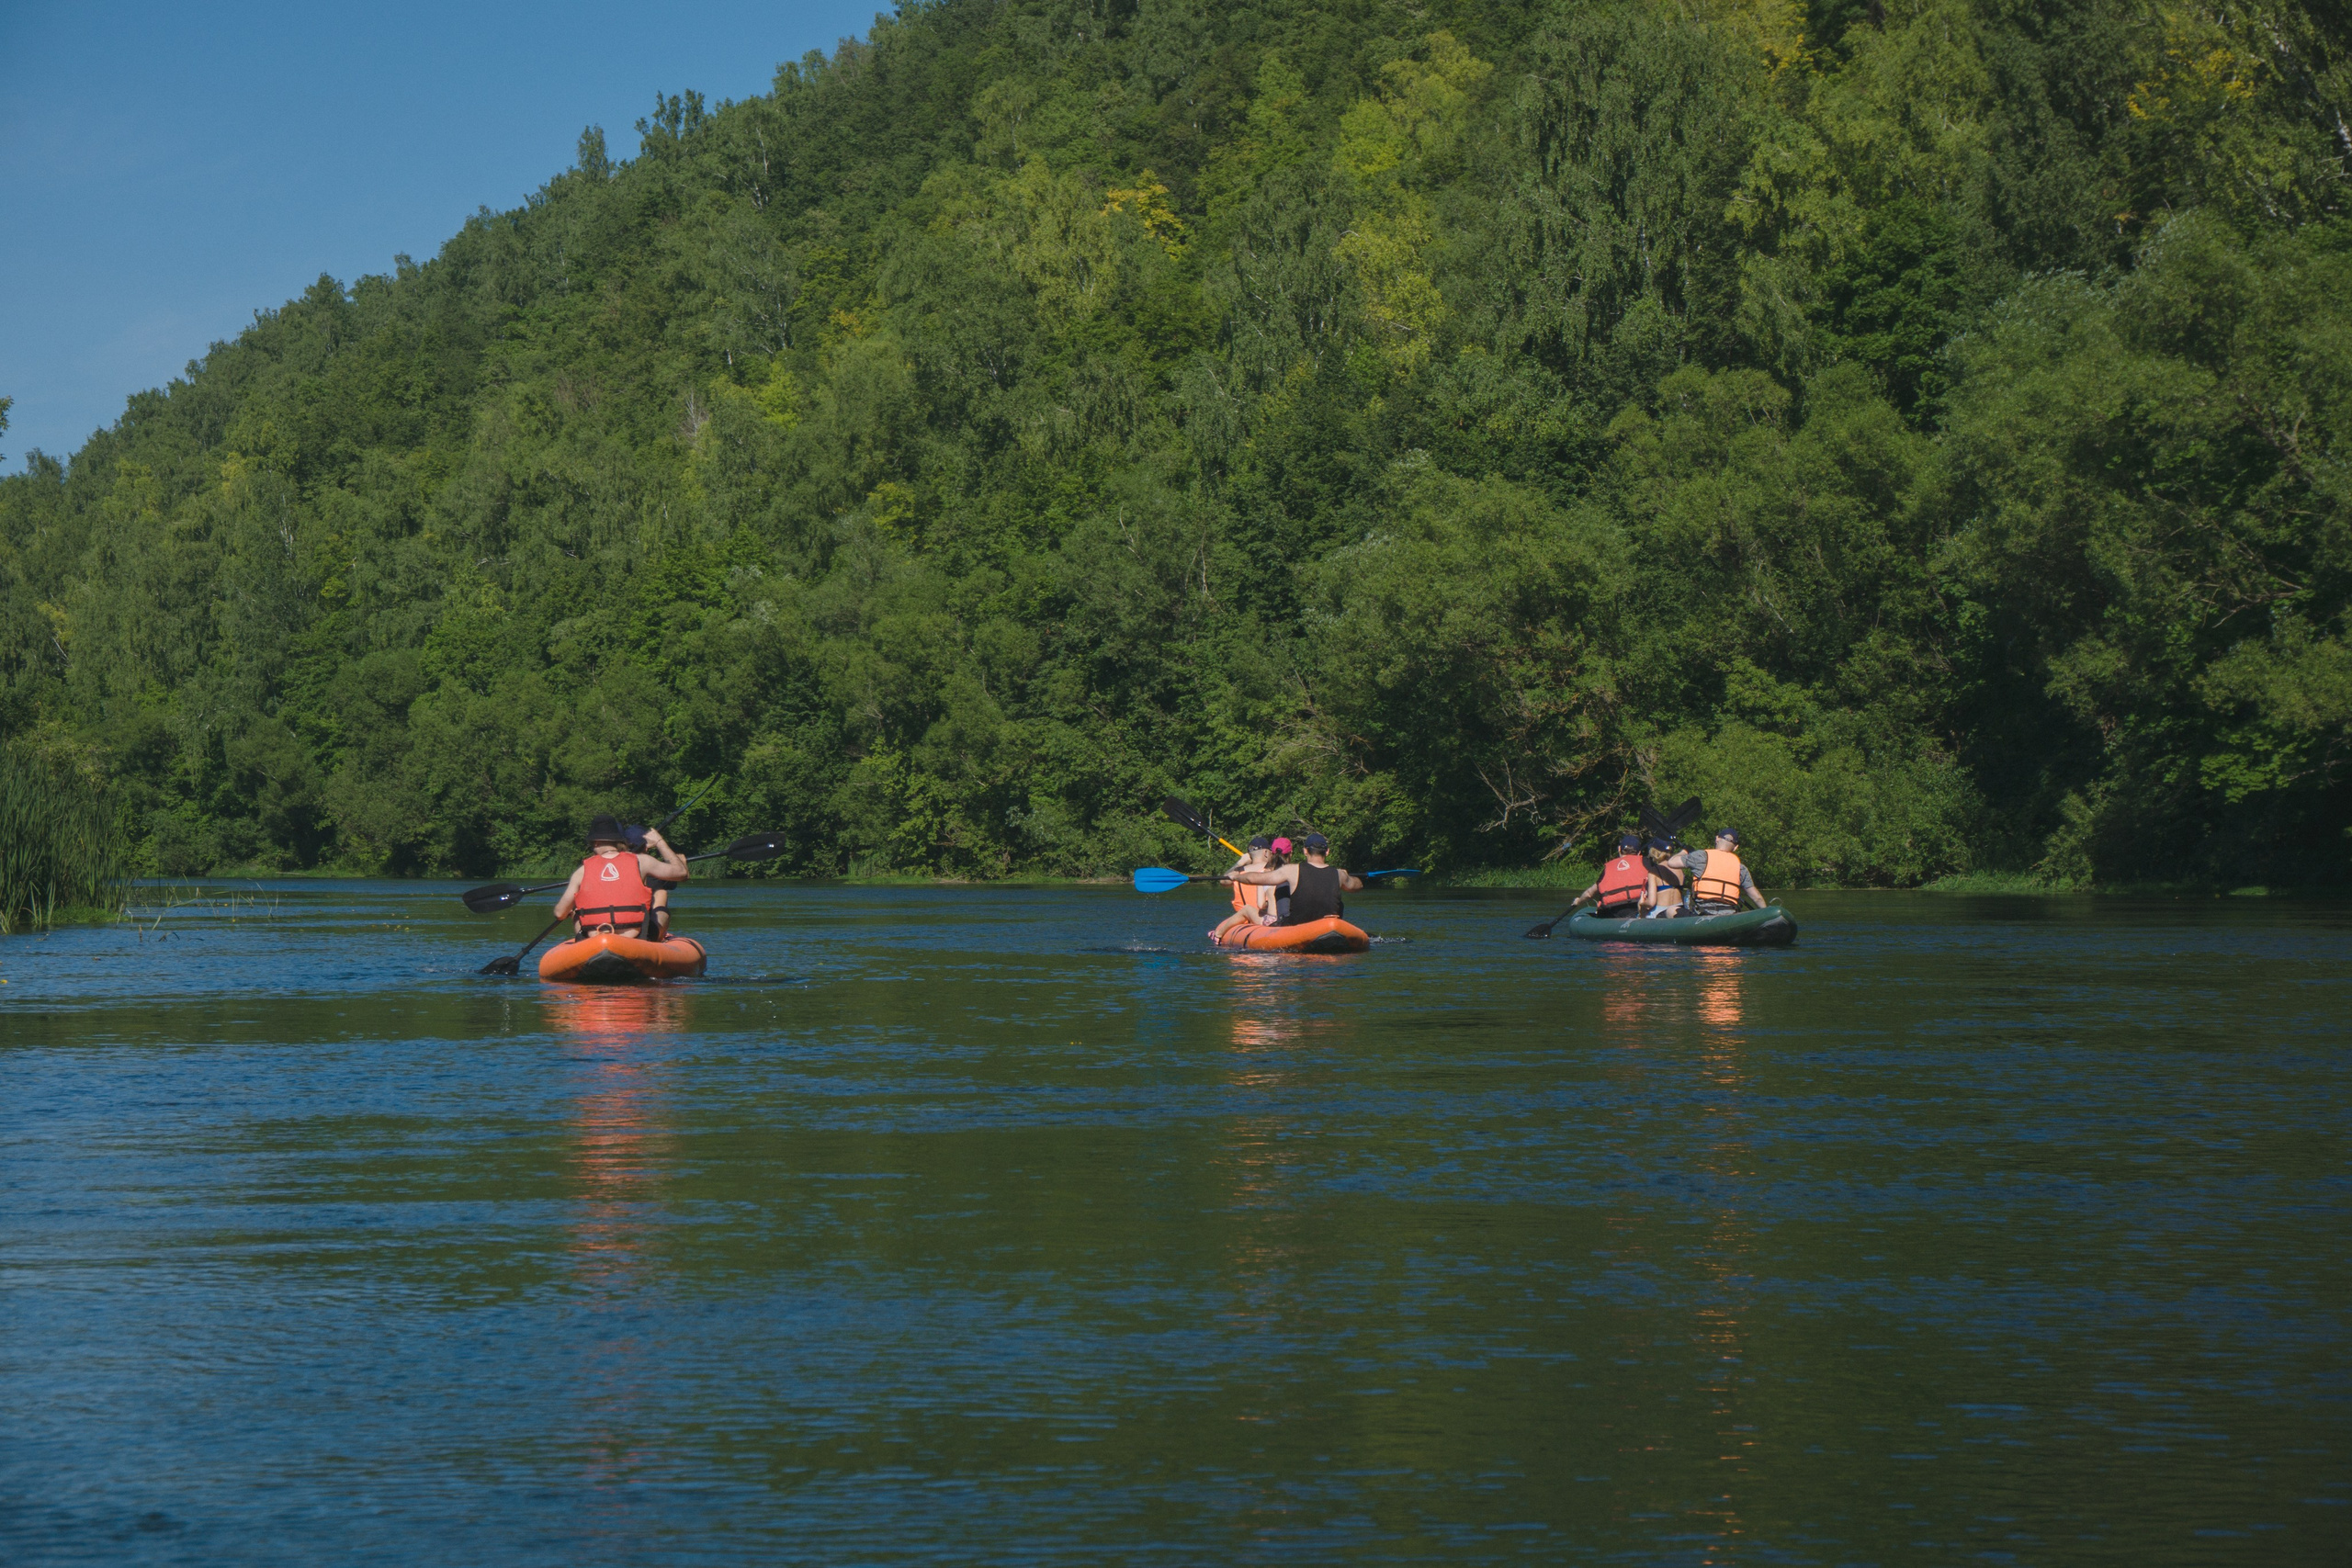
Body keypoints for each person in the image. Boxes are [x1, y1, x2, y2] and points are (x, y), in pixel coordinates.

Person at [555, 814, 692, 939]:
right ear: (618, 841)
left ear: (595, 843)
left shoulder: (582, 871)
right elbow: (681, 873)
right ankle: (659, 941)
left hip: (595, 938)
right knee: (661, 911)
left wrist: (571, 912)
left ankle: (584, 945)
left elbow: (560, 913)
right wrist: (659, 842)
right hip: (636, 937)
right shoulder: (642, 861)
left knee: (576, 913)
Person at [1225, 831, 1363, 925]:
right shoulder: (1339, 874)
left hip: (1299, 925)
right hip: (1329, 924)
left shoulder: (1293, 870)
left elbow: (1254, 879)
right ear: (1327, 851)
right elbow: (1358, 885)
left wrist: (1236, 876)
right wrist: (1346, 875)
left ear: (1305, 851)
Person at [1667, 828, 1766, 914]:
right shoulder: (1741, 868)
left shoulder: (1701, 856)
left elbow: (1671, 862)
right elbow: (1757, 897)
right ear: (1735, 847)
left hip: (1702, 912)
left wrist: (1685, 851)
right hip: (1730, 914)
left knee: (1671, 911)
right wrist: (1766, 914)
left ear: (1717, 839)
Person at [1210, 836, 1282, 942]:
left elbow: (1223, 881)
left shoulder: (1238, 873)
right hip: (1269, 917)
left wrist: (1240, 863)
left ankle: (1217, 934)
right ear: (1266, 853)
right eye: (1271, 852)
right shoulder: (1273, 870)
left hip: (1246, 920)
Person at [1569, 832, 1654, 918]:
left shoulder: (1609, 867)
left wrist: (1578, 901)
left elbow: (1589, 894)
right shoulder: (1647, 863)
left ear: (1619, 849)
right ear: (1639, 853)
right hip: (1638, 907)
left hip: (1612, 912)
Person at [624, 822, 684, 938]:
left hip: (613, 927)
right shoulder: (654, 872)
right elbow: (680, 875)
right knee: (661, 892)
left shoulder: (612, 868)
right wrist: (681, 863)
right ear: (646, 848)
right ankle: (658, 936)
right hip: (643, 931)